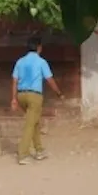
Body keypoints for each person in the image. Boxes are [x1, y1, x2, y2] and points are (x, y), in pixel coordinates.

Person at [11, 35, 63, 165]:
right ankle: (23, 154)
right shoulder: (41, 62)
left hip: (21, 95)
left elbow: (14, 81)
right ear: (39, 47)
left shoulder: (20, 62)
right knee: (30, 124)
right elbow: (49, 79)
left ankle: (39, 150)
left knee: (34, 122)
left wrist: (14, 98)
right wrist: (58, 92)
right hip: (35, 95)